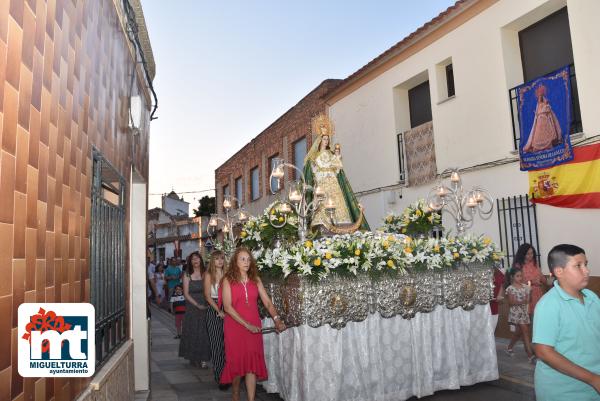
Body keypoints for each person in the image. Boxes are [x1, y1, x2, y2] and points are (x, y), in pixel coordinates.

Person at [533, 244, 600, 401]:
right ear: (559, 272)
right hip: (565, 390)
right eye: (578, 266)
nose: (586, 270)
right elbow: (543, 352)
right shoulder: (549, 304)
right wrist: (592, 379)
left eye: (586, 264)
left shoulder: (591, 297)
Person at [220, 247, 286, 401]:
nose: (246, 262)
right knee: (236, 365)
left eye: (248, 259)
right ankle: (235, 391)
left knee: (251, 364)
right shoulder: (227, 280)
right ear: (235, 262)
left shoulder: (255, 280)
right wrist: (246, 325)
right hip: (235, 327)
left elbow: (267, 302)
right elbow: (228, 307)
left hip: (254, 327)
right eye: (242, 259)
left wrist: (276, 319)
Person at [303, 113, 369, 232]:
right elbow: (312, 171)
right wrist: (315, 173)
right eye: (324, 138)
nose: (326, 141)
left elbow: (338, 170)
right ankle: (320, 222)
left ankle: (342, 222)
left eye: (328, 139)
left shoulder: (331, 154)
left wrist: (337, 157)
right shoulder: (314, 156)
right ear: (319, 140)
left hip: (333, 182)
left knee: (338, 202)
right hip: (322, 184)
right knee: (321, 203)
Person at [178, 252, 211, 367]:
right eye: (193, 259)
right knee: (193, 332)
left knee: (204, 333)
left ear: (201, 260)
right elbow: (186, 294)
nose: (195, 261)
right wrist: (197, 305)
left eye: (197, 258)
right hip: (192, 306)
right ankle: (193, 356)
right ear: (190, 262)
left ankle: (203, 358)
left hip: (206, 305)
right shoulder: (187, 274)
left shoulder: (206, 273)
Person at [203, 250, 228, 388]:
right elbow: (207, 296)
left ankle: (230, 373)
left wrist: (226, 309)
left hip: (227, 307)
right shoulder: (208, 275)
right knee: (216, 344)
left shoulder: (228, 275)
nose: (220, 261)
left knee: (228, 344)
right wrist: (219, 310)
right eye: (217, 258)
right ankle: (220, 376)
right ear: (212, 260)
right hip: (213, 308)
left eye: (222, 258)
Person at [505, 268, 535, 362]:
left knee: (519, 333)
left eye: (521, 276)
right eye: (517, 276)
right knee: (525, 331)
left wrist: (529, 295)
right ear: (512, 277)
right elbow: (511, 302)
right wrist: (523, 301)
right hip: (516, 313)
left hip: (523, 312)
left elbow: (529, 300)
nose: (520, 278)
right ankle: (530, 354)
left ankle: (509, 347)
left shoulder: (525, 287)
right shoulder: (510, 288)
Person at [523, 84, 562, 153]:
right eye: (539, 96)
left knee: (546, 135)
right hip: (539, 122)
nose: (540, 97)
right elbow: (537, 114)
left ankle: (549, 145)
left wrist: (545, 106)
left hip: (545, 121)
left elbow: (549, 111)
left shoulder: (545, 104)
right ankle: (536, 147)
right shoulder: (538, 105)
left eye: (541, 96)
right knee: (537, 135)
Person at [513, 243, 547, 316]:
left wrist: (548, 280)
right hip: (525, 295)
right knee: (526, 320)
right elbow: (517, 283)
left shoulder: (535, 264)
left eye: (532, 253)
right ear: (522, 254)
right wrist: (532, 282)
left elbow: (541, 277)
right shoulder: (518, 266)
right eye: (527, 254)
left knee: (538, 317)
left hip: (537, 294)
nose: (530, 255)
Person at [490, 264, 505, 332]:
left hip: (494, 304)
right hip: (483, 305)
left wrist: (499, 294)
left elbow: (502, 283)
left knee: (491, 330)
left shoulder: (498, 272)